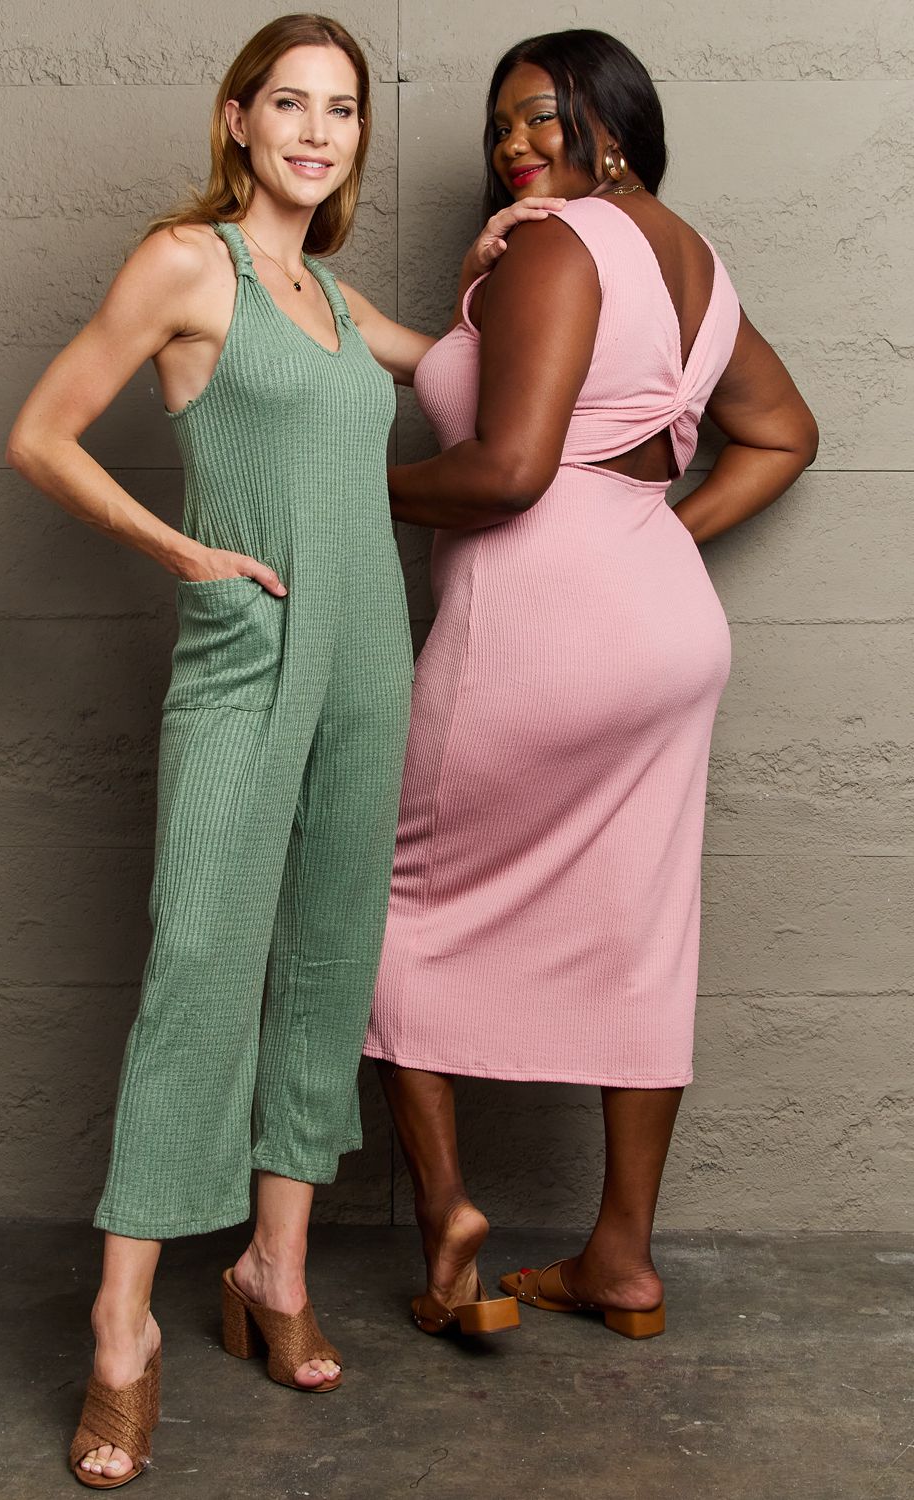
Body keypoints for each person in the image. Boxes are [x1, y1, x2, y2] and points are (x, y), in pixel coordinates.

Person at [6, 12, 559, 1487]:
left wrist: (513, 253)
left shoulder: (330, 295)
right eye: (292, 104)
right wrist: (185, 553)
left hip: (368, 657)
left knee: (329, 953)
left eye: (344, 110)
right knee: (202, 966)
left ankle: (276, 1268)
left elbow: (461, 365)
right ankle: (122, 1328)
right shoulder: (190, 265)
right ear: (239, 120)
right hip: (247, 655)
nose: (318, 132)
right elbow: (42, 435)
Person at [364, 28, 819, 1342]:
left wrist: (342, 492)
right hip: (666, 631)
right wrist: (652, 539)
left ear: (612, 125)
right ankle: (620, 1260)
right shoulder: (695, 264)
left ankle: (449, 1232)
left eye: (542, 117)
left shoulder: (560, 245)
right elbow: (783, 433)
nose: (514, 144)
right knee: (643, 928)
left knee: (389, 904)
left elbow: (509, 472)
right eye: (500, 125)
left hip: (534, 626)